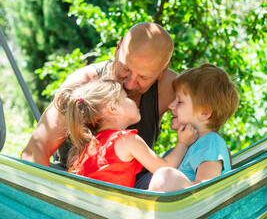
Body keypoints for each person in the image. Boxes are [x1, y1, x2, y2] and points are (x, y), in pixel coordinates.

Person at [21, 22, 177, 187]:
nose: (130, 84)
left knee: (172, 177)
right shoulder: (84, 82)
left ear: (162, 71)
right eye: (125, 68)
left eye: (144, 78)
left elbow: (205, 118)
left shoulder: (169, 87)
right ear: (118, 48)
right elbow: (35, 151)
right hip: (74, 185)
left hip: (135, 190)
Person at [54, 78, 197, 187]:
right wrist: (183, 143)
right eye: (127, 97)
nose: (133, 100)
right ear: (114, 108)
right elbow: (164, 168)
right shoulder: (127, 140)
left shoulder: (85, 148)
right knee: (167, 180)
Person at [148, 63, 239, 192]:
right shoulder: (188, 145)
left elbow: (207, 190)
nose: (170, 106)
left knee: (164, 176)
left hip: (195, 209)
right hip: (174, 208)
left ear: (204, 113)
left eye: (179, 101)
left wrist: (167, 180)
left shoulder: (210, 142)